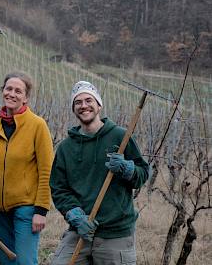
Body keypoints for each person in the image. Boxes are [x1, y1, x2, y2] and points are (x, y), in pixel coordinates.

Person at [49, 81, 149, 265]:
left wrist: (127, 168)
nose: (83, 105)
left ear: (99, 105)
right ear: (73, 108)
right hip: (80, 231)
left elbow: (142, 175)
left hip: (115, 233)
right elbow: (59, 189)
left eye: (89, 100)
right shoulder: (66, 148)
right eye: (78, 102)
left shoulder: (120, 137)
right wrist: (76, 217)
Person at [0, 72, 55, 265]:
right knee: (7, 261)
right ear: (2, 91)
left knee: (25, 261)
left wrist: (41, 210)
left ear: (26, 97)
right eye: (9, 89)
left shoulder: (37, 126)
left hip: (26, 208)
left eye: (18, 91)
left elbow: (47, 171)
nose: (12, 94)